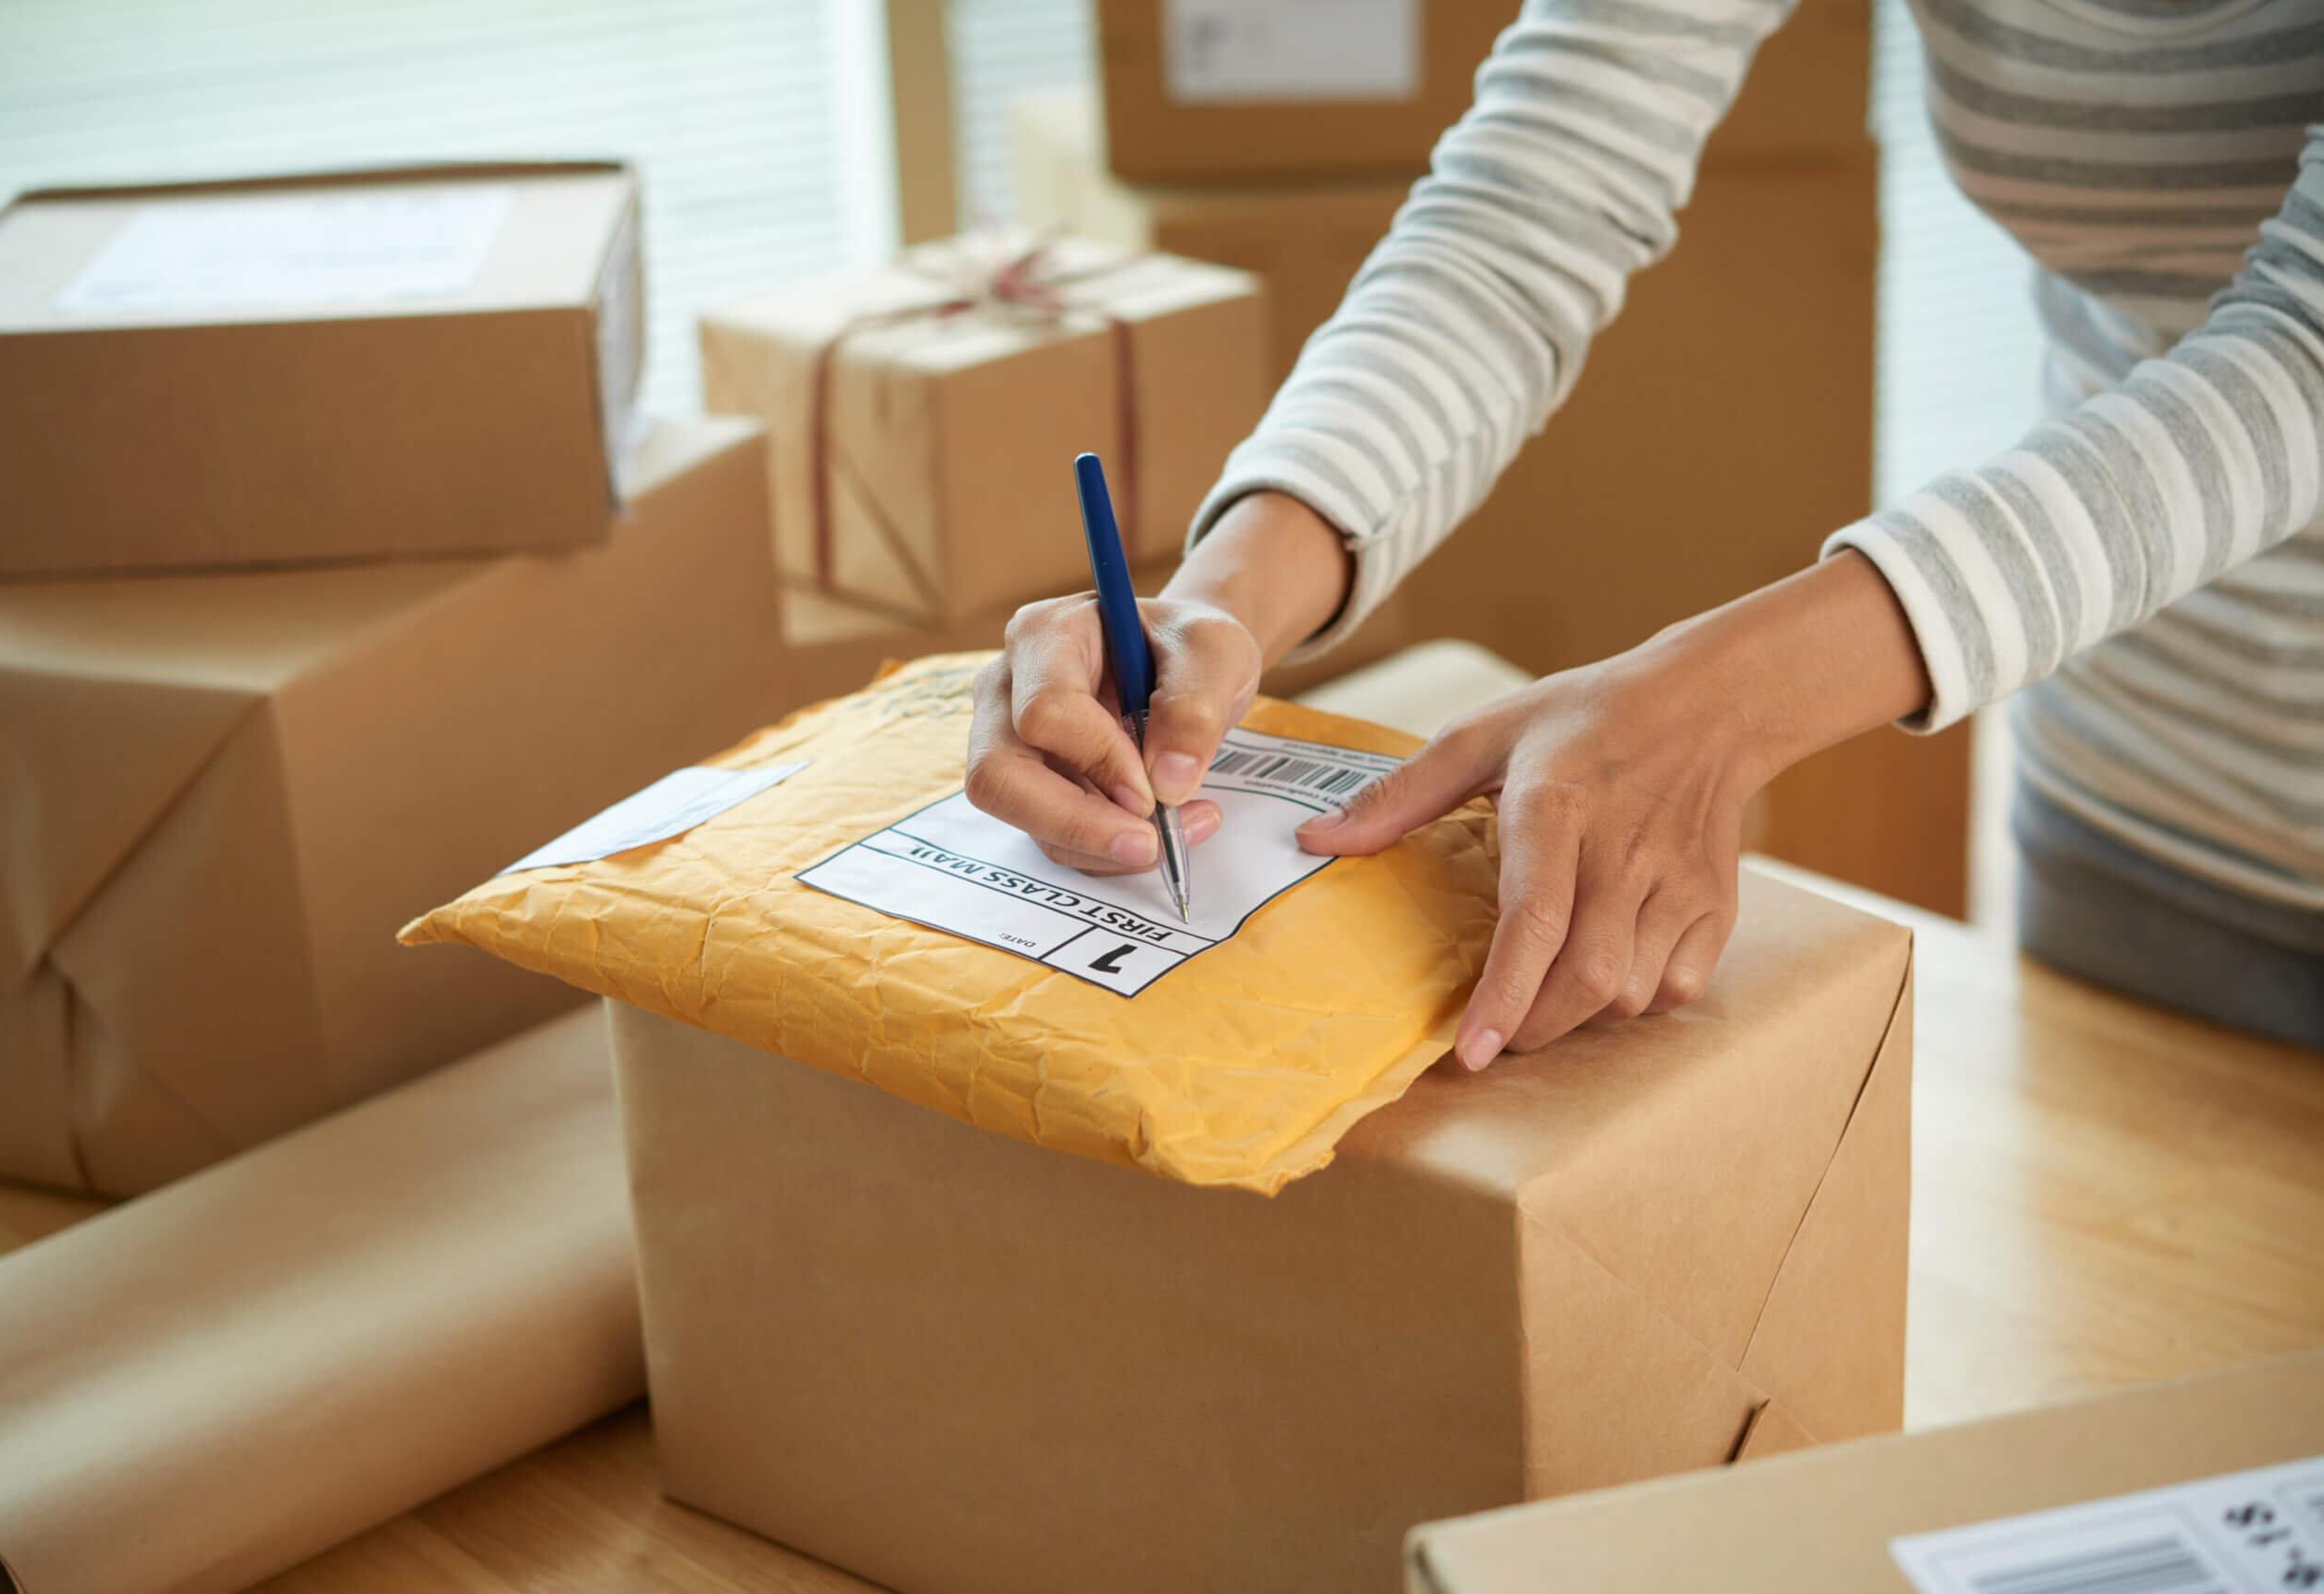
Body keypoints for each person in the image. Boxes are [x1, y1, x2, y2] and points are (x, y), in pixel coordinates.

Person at [966, 0, 2324, 1057]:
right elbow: (1525, 209)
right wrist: (1219, 598)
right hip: (2138, 791)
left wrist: (1724, 701)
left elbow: (2305, 359)